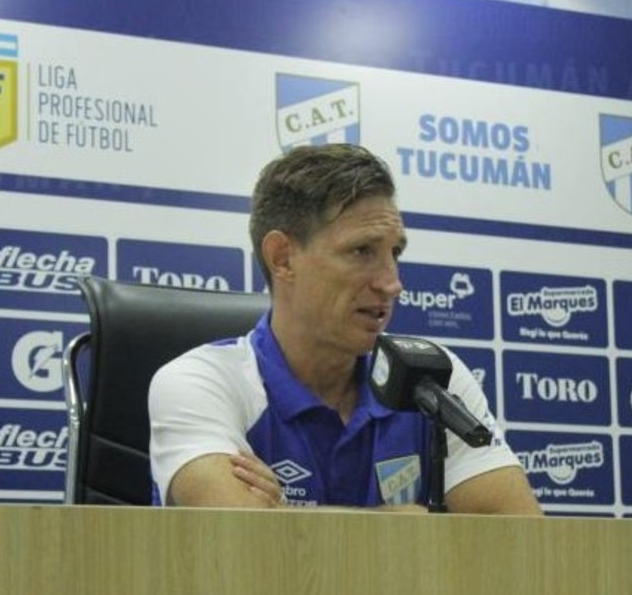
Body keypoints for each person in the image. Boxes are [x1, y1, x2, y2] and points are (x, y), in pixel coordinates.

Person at [148, 144, 541, 514]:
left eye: (395, 252)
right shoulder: (201, 382)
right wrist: (404, 526)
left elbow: (519, 537)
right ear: (282, 258)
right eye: (362, 251)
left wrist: (284, 516)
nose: (392, 283)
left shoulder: (433, 379)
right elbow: (236, 540)